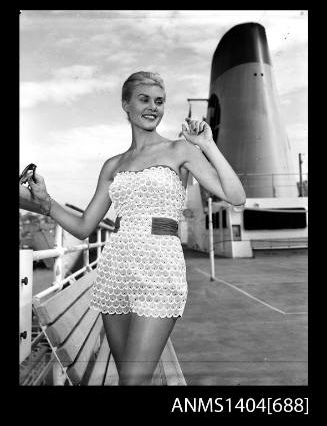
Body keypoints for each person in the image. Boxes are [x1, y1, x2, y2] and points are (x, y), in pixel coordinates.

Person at [23, 71, 246, 385]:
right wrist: (46, 200)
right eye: (144, 99)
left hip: (160, 268)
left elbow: (236, 197)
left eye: (159, 101)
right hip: (116, 268)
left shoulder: (180, 150)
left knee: (133, 379)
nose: (153, 107)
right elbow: (85, 225)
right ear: (126, 105)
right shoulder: (113, 165)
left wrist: (207, 144)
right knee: (128, 377)